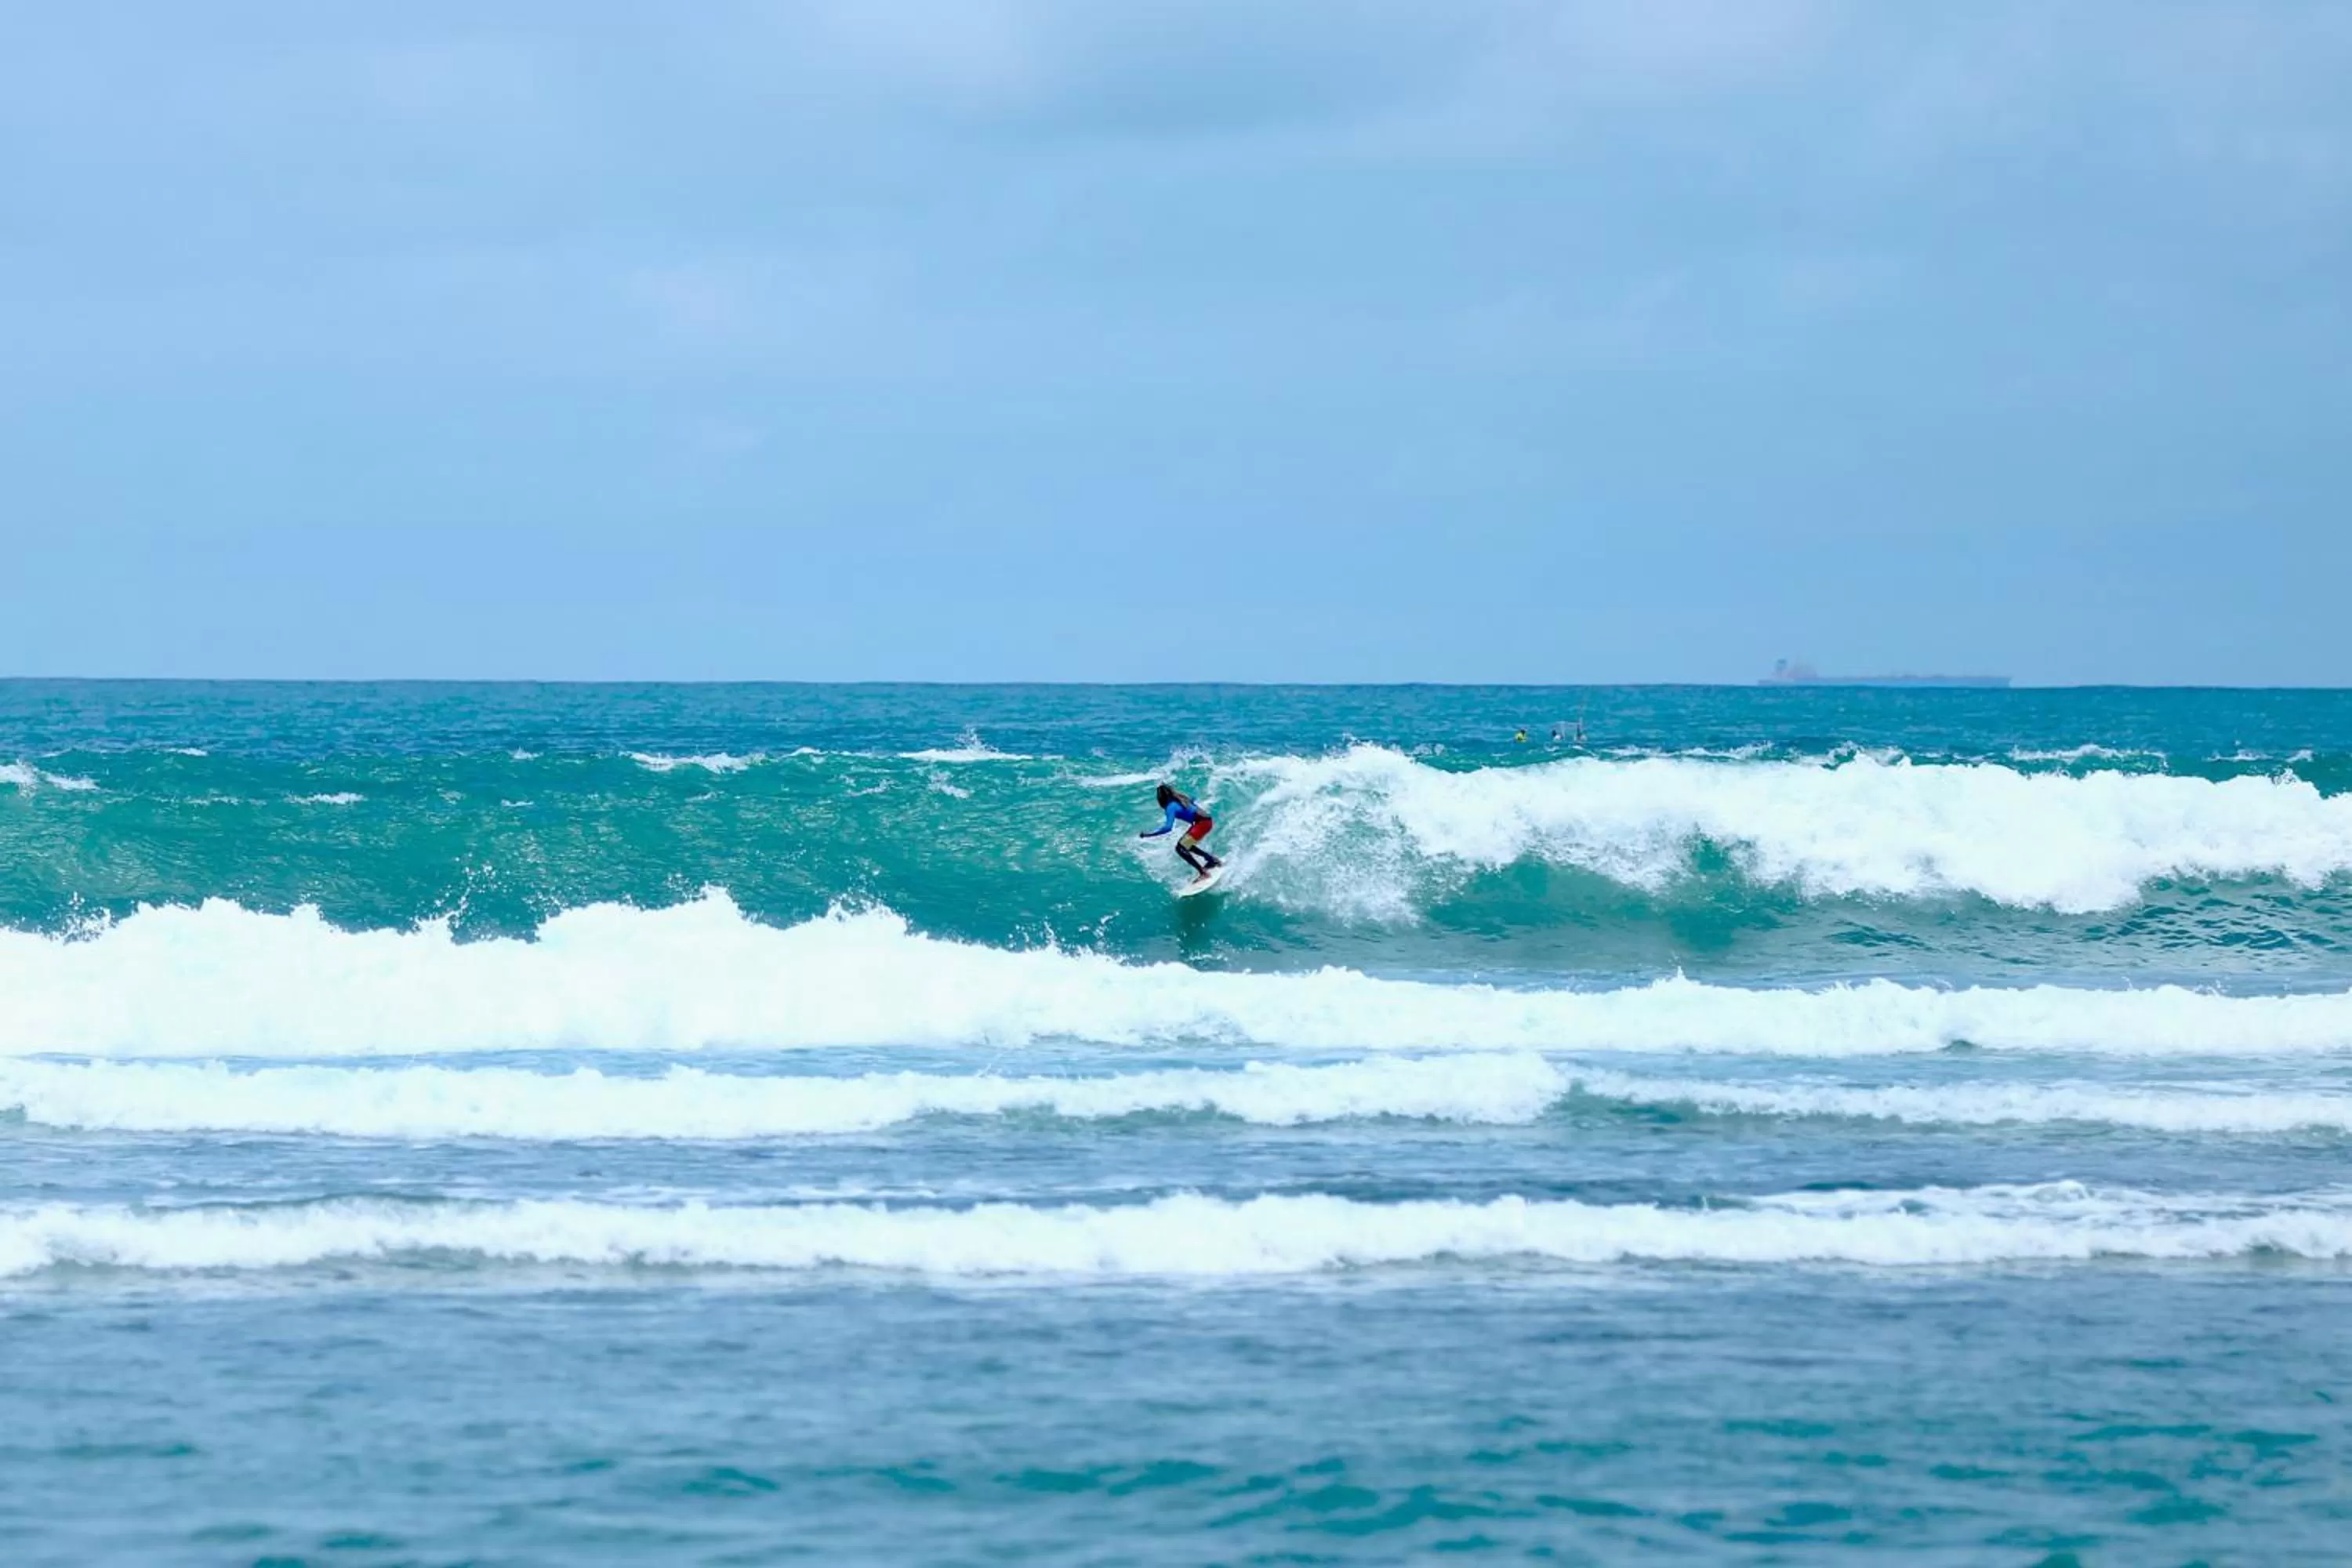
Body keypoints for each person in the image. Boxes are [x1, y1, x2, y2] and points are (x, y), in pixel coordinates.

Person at [1141, 783, 1222, 881]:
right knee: (1186, 845)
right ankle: (1212, 860)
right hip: (1206, 821)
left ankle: (1204, 873)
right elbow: (1193, 798)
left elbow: (1168, 828)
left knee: (1180, 848)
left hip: (1202, 824)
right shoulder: (1181, 798)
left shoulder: (1170, 807)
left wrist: (1149, 835)